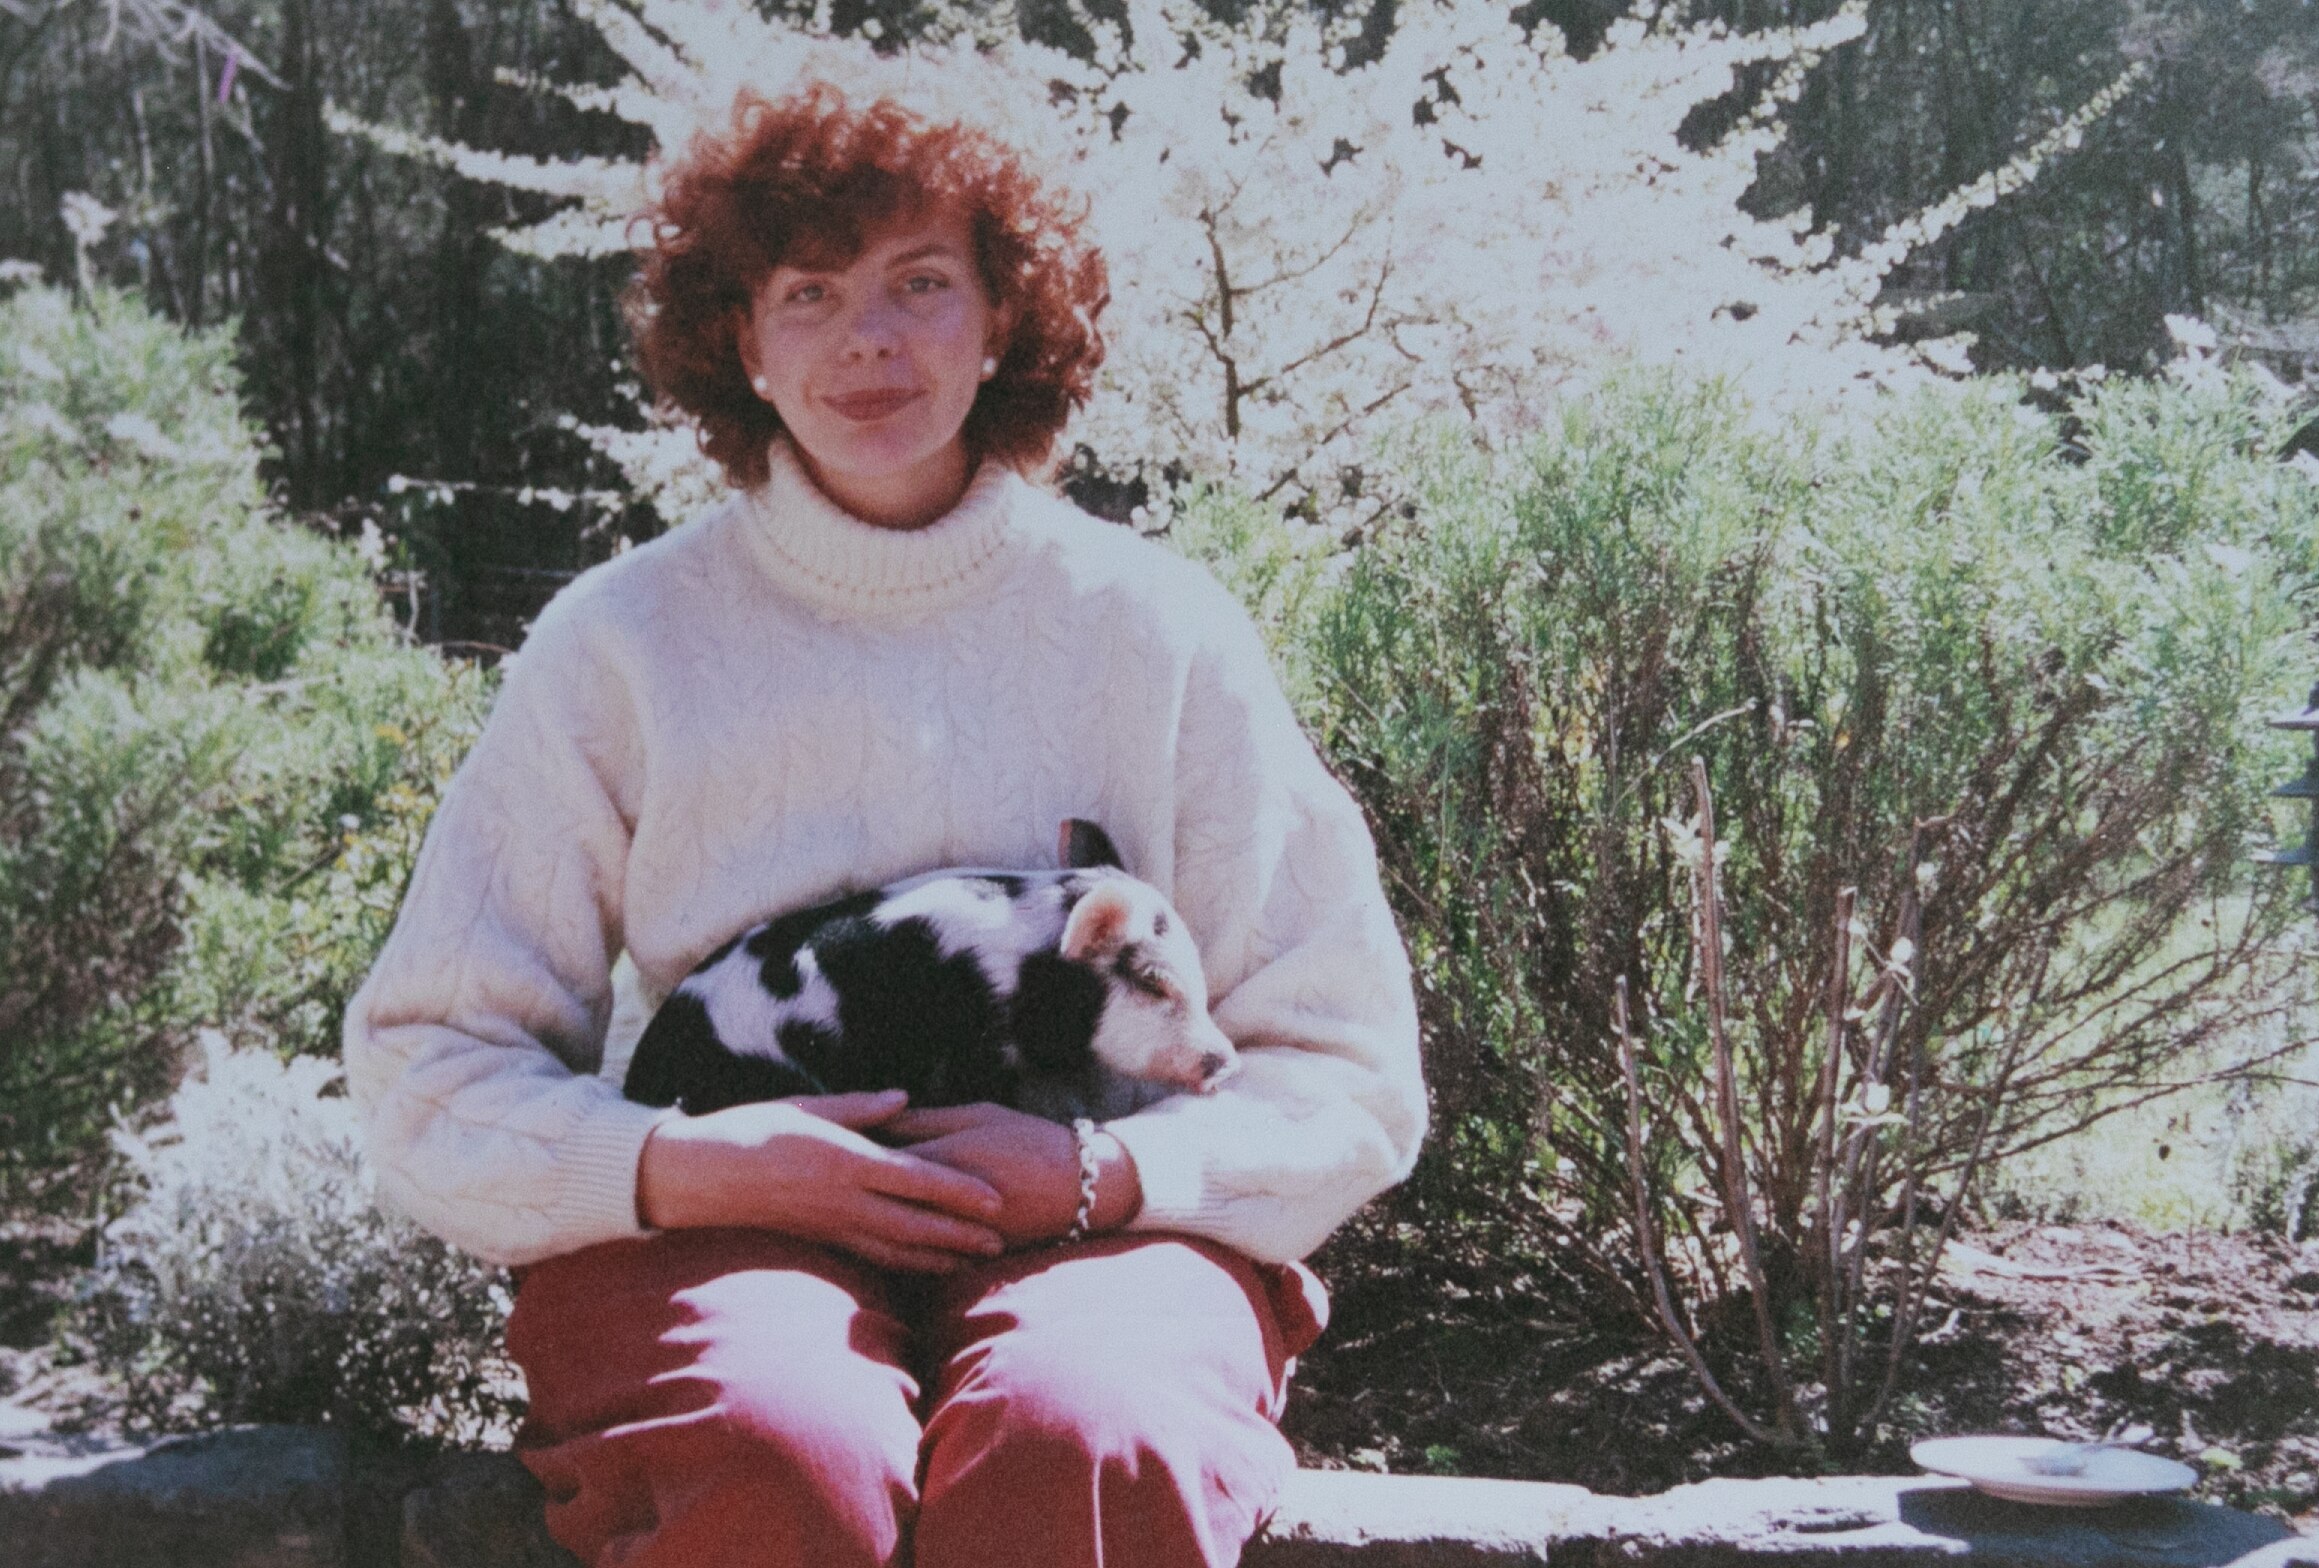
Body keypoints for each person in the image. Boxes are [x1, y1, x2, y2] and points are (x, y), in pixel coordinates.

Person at [343, 81, 1427, 1568]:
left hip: (1102, 1234)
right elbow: (426, 1067)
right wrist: (687, 1168)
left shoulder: (1157, 633)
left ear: (1005, 320)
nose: (870, 338)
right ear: (742, 344)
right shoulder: (622, 645)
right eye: (809, 293)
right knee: (776, 1453)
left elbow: (1350, 1070)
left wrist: (1108, 1175)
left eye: (923, 283)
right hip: (717, 1229)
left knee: (1084, 1437)